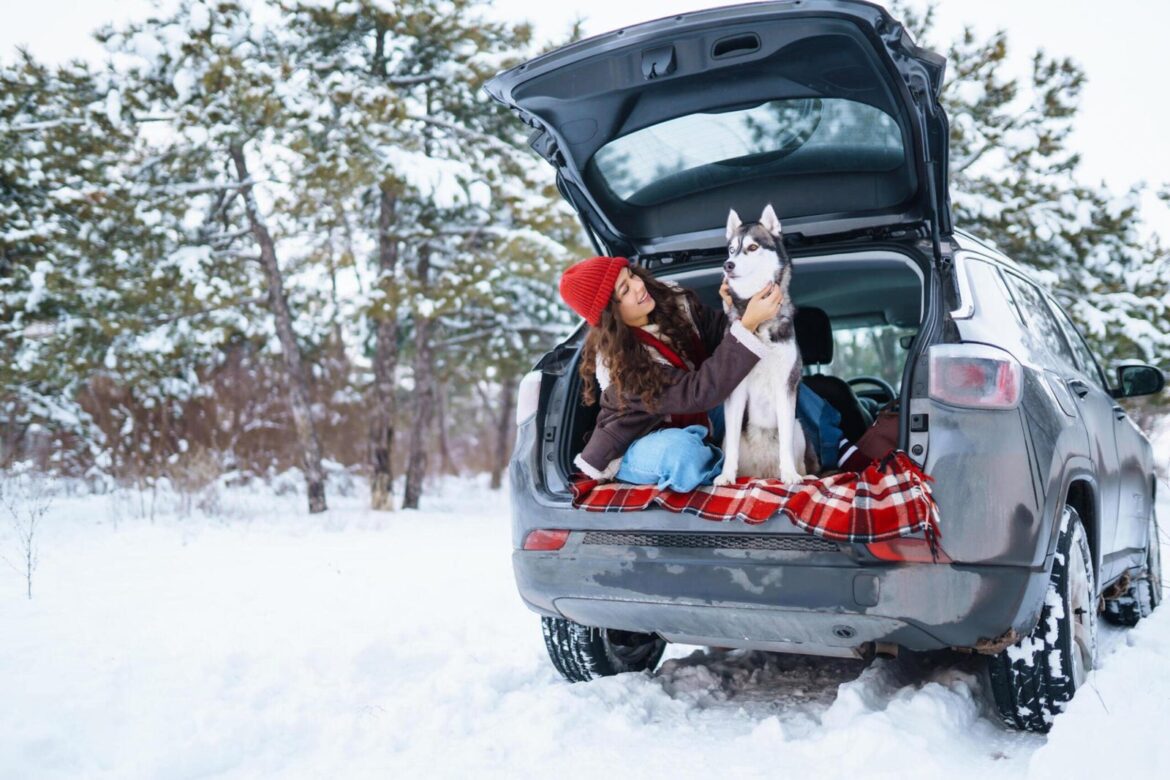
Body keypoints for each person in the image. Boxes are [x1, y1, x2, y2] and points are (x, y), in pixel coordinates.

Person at [558, 255, 781, 491]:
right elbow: (697, 392)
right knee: (683, 452)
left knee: (769, 383)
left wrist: (738, 311)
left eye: (631, 275)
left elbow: (723, 338)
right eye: (625, 290)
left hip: (700, 417)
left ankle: (822, 453)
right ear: (611, 314)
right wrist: (746, 326)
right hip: (642, 441)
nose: (638, 286)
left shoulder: (676, 306)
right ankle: (731, 472)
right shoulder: (621, 366)